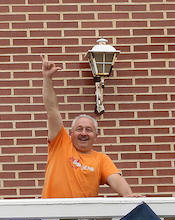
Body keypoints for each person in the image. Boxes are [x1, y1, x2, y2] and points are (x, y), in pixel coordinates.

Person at [40, 58, 136, 198]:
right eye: (79, 129)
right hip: (53, 218)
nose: (83, 133)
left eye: (89, 130)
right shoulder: (60, 143)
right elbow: (52, 109)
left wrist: (130, 196)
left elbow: (116, 179)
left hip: (83, 219)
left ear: (96, 136)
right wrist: (47, 78)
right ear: (71, 133)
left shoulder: (101, 160)